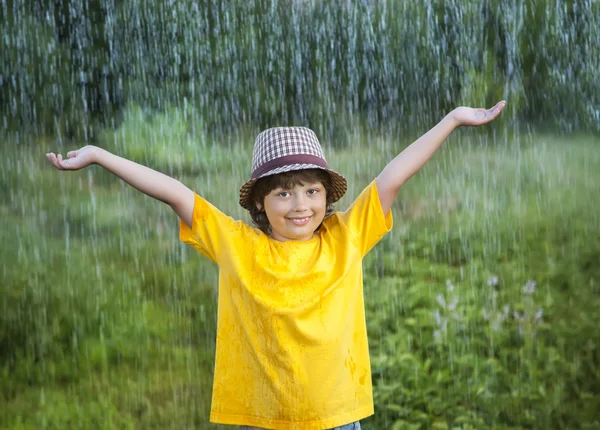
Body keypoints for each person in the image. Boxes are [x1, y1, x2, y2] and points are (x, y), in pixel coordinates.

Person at [46, 101, 506, 430]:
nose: (299, 205)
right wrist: (100, 156)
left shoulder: (346, 235)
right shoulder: (237, 244)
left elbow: (394, 174)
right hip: (261, 420)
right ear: (261, 203)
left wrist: (452, 120)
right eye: (283, 192)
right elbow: (172, 191)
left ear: (327, 196)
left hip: (335, 420)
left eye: (311, 190)